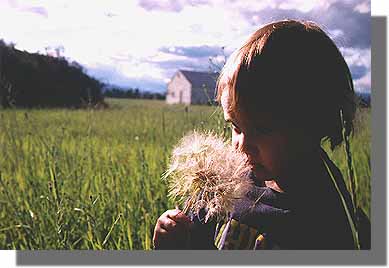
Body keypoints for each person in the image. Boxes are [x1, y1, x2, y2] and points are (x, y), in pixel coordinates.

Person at [153, 20, 370, 250]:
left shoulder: (323, 218)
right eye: (236, 126)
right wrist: (176, 238)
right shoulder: (230, 180)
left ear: (313, 124)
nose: (242, 146)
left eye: (262, 129)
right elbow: (198, 235)